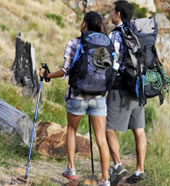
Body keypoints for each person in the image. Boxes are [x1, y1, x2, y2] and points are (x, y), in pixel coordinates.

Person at [40, 11, 110, 186]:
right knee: (101, 139)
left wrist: (47, 75)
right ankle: (105, 179)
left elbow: (65, 70)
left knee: (71, 130)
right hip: (99, 96)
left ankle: (71, 169)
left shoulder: (74, 43)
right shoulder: (107, 45)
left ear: (85, 24)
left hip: (77, 95)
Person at [106, 1, 147, 185]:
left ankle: (118, 166)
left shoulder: (115, 35)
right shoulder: (138, 34)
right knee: (139, 130)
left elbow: (112, 63)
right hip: (139, 86)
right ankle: (139, 170)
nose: (110, 14)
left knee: (108, 128)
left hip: (120, 87)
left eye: (112, 11)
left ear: (118, 14)